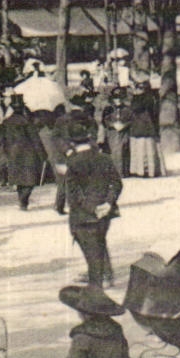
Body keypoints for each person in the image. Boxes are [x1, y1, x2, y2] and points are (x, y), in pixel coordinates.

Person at [64, 120, 122, 286]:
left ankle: (99, 275)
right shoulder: (104, 158)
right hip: (106, 209)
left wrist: (91, 208)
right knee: (100, 240)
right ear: (89, 139)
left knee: (87, 242)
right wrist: (108, 203)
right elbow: (117, 183)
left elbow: (72, 194)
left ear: (72, 143)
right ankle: (105, 274)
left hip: (85, 211)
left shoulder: (73, 163)